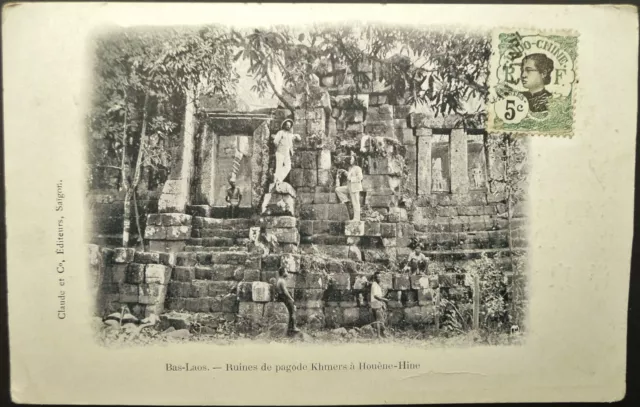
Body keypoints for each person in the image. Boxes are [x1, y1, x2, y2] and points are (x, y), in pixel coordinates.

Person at [335, 153, 364, 221]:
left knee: (356, 203)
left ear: (355, 160)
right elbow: (349, 175)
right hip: (349, 187)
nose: (350, 160)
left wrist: (351, 179)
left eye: (352, 158)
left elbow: (360, 177)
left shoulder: (358, 168)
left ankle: (357, 218)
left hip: (355, 188)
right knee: (338, 189)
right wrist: (345, 172)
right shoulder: (351, 168)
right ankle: (346, 200)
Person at [273, 119, 301, 184]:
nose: (288, 126)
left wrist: (296, 135)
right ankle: (276, 181)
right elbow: (275, 141)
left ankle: (279, 178)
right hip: (280, 152)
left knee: (288, 167)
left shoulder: (290, 134)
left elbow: (299, 139)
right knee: (279, 167)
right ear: (284, 125)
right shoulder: (280, 132)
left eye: (289, 125)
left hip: (287, 153)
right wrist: (279, 148)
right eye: (287, 125)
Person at [276, 266, 299, 336]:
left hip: (282, 296)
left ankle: (292, 327)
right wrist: (291, 298)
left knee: (293, 309)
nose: (287, 273)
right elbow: (285, 291)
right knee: (293, 310)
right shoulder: (282, 281)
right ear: (283, 273)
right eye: (286, 271)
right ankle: (293, 327)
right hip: (283, 297)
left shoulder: (280, 280)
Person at [370, 272, 389, 338]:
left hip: (377, 303)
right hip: (376, 303)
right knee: (378, 320)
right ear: (375, 278)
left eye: (380, 277)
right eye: (378, 277)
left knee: (380, 320)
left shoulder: (377, 285)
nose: (379, 278)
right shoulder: (374, 285)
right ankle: (378, 335)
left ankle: (382, 334)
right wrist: (384, 300)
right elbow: (375, 296)